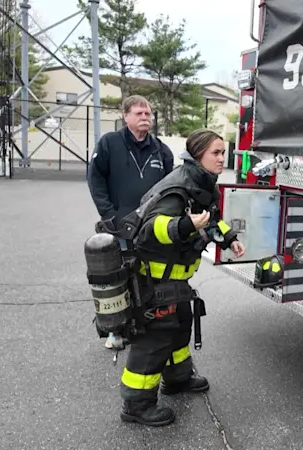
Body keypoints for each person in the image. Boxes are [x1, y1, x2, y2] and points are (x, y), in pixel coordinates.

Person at [118, 129, 245, 427]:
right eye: (215, 153)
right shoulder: (178, 189)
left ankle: (177, 378)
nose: (222, 158)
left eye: (223, 152)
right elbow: (150, 230)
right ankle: (136, 405)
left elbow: (211, 219)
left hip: (176, 281)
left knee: (180, 327)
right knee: (155, 339)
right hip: (156, 281)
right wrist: (185, 225)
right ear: (198, 155)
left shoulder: (200, 182)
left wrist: (230, 239)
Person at [87, 95, 174, 349]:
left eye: (148, 114)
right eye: (139, 113)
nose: (145, 118)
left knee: (148, 275)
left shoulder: (161, 150)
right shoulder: (109, 143)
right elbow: (95, 179)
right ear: (125, 116)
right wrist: (108, 215)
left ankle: (144, 323)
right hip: (119, 224)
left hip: (152, 225)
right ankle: (115, 330)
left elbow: (170, 187)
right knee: (119, 276)